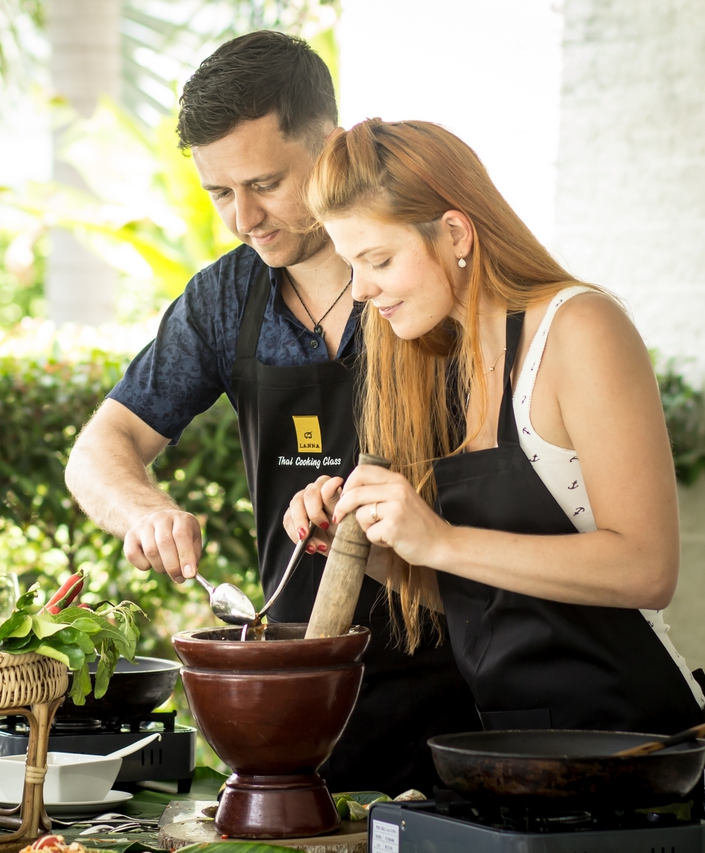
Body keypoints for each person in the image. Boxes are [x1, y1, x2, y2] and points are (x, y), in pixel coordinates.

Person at [285, 118, 705, 849]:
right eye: (351, 266)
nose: (362, 291)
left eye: (376, 259)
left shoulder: (579, 328)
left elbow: (647, 568)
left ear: (456, 232)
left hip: (650, 781)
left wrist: (439, 536)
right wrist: (388, 555)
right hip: (525, 783)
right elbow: (494, 599)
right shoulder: (441, 360)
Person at [65, 32, 478, 796]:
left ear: (332, 145)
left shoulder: (423, 283)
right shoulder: (224, 299)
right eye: (220, 192)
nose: (242, 218)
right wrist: (143, 511)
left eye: (264, 182)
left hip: (463, 705)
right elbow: (100, 447)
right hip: (300, 710)